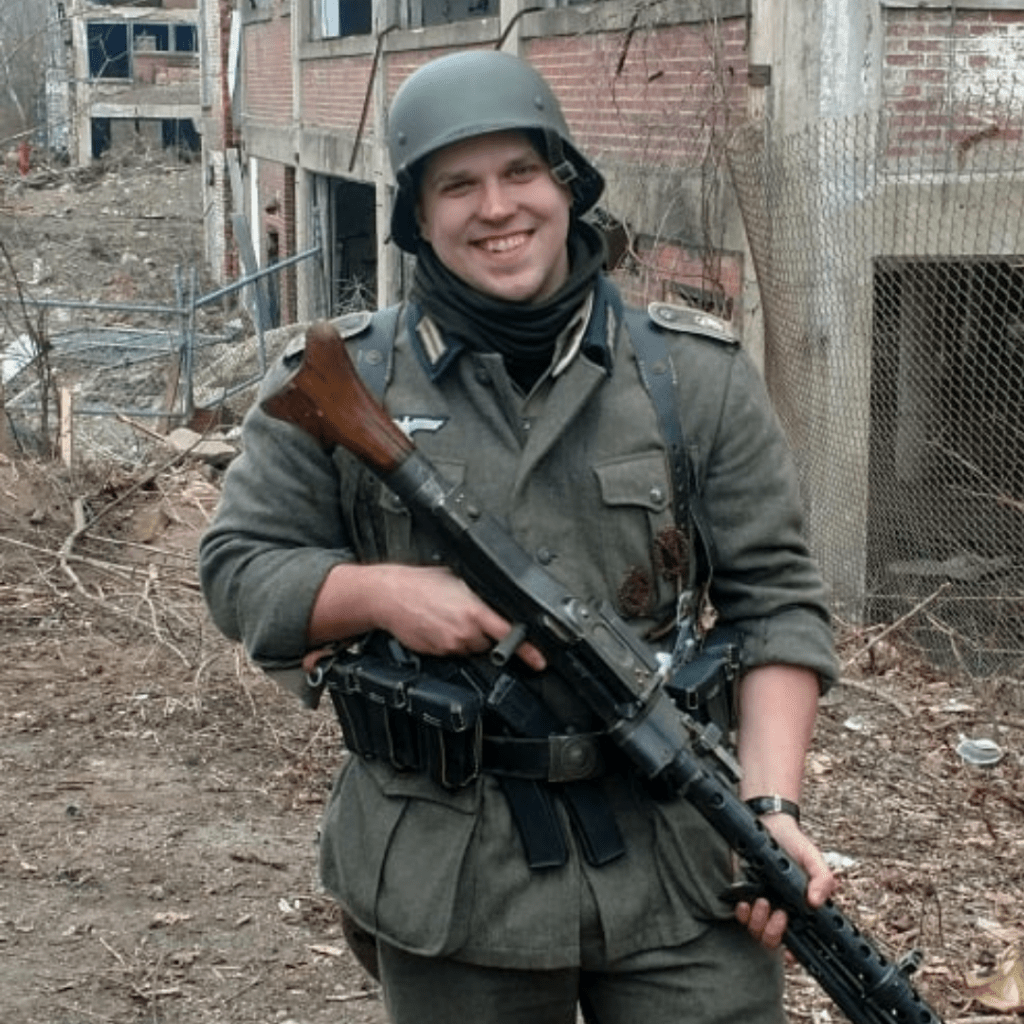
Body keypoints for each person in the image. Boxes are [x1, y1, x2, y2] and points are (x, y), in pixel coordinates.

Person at [199, 49, 839, 1024]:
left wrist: (768, 806)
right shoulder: (340, 380)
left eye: (520, 172)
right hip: (454, 869)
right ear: (418, 216)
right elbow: (240, 569)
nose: (496, 207)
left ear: (567, 186)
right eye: (458, 185)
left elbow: (777, 605)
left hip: (679, 855)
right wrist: (385, 595)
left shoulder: (692, 377)